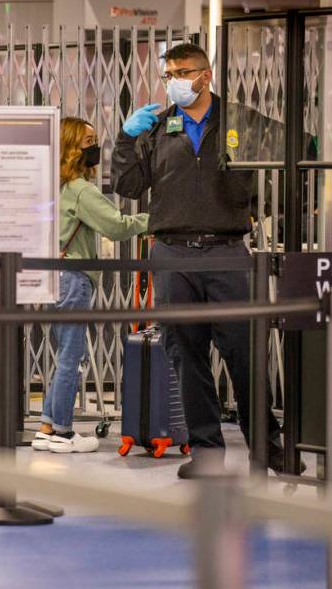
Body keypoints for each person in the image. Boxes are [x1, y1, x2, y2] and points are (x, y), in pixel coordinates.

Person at [111, 43, 286, 479]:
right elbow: (129, 186)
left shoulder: (240, 121)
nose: (174, 81)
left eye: (182, 72)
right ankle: (207, 454)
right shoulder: (157, 129)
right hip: (171, 254)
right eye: (169, 74)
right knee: (186, 357)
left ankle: (268, 450)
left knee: (244, 357)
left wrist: (247, 209)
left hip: (228, 252)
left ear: (205, 76)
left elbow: (286, 159)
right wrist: (126, 137)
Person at [32, 117, 148, 454]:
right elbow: (115, 225)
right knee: (72, 356)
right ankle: (63, 431)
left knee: (66, 354)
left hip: (55, 276)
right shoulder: (80, 190)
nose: (96, 148)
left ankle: (47, 427)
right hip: (73, 278)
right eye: (88, 141)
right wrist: (156, 221)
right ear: (72, 148)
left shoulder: (57, 188)